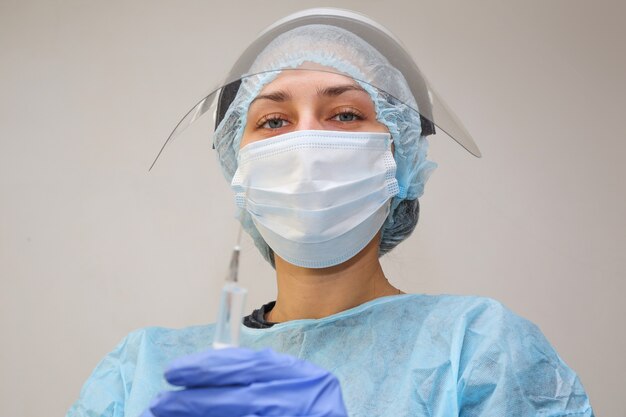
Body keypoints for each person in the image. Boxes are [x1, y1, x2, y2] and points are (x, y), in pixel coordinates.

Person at [67, 8, 594, 417]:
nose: (307, 143)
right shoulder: (143, 372)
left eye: (344, 114)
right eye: (273, 122)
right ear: (239, 167)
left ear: (400, 155)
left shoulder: (474, 351)